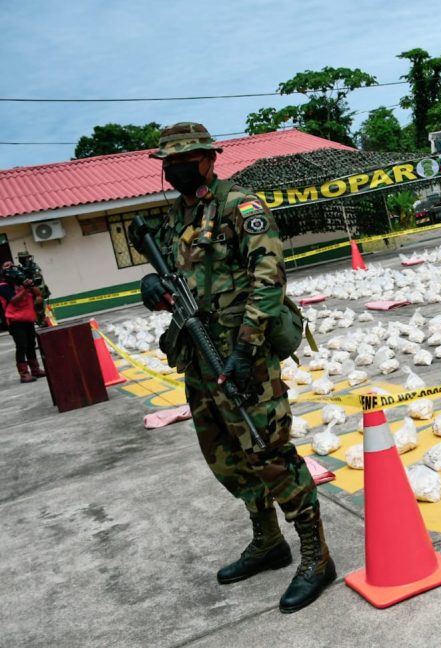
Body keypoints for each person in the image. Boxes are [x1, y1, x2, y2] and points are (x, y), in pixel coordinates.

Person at [135, 122, 334, 614]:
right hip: (197, 355)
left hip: (244, 355)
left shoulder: (240, 206)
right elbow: (174, 277)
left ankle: (316, 555)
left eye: (186, 159)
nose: (176, 168)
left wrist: (245, 352)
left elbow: (269, 280)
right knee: (226, 455)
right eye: (169, 162)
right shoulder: (175, 215)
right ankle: (268, 543)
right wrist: (151, 286)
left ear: (209, 159)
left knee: (269, 452)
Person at [0, 260, 47, 382]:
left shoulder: (21, 283)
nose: (11, 267)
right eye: (7, 266)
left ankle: (35, 369)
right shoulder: (3, 287)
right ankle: (24, 373)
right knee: (22, 346)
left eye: (12, 264)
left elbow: (38, 293)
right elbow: (14, 300)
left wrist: (31, 286)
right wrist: (25, 289)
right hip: (15, 321)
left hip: (28, 318)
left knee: (31, 344)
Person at [16, 251, 51, 327]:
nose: (21, 260)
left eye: (23, 258)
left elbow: (38, 279)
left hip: (37, 291)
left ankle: (43, 323)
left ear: (27, 258)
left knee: (39, 309)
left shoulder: (33, 266)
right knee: (34, 309)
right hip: (28, 292)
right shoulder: (21, 268)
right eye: (20, 258)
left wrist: (29, 281)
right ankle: (40, 323)